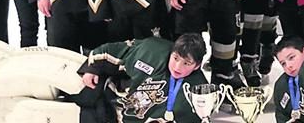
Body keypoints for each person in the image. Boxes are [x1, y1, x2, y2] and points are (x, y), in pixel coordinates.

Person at [78, 33, 209, 122]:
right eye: (175, 58)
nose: (177, 67)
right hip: (115, 106)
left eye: (186, 63)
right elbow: (113, 50)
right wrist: (92, 69)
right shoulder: (151, 50)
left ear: (197, 66)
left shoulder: (199, 92)